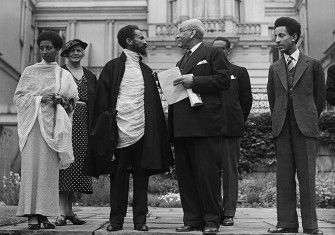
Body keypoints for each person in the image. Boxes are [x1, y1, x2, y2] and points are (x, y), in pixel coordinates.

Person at [89, 25, 173, 232]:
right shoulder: (112, 67)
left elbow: (153, 105)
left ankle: (140, 221)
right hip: (118, 132)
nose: (145, 41)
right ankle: (115, 221)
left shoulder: (146, 71)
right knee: (118, 177)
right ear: (128, 41)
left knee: (141, 176)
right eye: (140, 37)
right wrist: (106, 129)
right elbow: (101, 103)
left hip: (143, 130)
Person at [170, 19, 230, 235]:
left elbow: (224, 81)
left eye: (180, 32)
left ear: (192, 32)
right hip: (183, 125)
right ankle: (192, 219)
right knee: (186, 176)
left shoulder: (213, 53)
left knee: (207, 175)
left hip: (205, 125)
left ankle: (212, 221)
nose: (177, 36)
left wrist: (195, 80)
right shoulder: (181, 60)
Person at [14, 30, 78, 230]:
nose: (44, 51)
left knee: (48, 172)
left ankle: (45, 214)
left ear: (57, 50)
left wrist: (61, 101)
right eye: (41, 47)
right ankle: (31, 215)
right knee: (32, 169)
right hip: (32, 127)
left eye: (48, 47)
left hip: (52, 129)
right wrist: (40, 99)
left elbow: (72, 103)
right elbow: (19, 98)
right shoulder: (29, 72)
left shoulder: (63, 74)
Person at [267, 17, 325, 235]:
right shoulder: (274, 68)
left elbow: (318, 100)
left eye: (281, 35)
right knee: (283, 176)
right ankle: (286, 223)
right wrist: (281, 118)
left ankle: (311, 226)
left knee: (307, 177)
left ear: (294, 37)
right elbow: (273, 100)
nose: (277, 40)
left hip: (305, 128)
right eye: (275, 36)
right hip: (282, 128)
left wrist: (307, 117)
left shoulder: (314, 65)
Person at [55, 39, 97, 226]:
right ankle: (61, 212)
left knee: (78, 166)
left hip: (84, 122)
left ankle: (70, 212)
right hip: (65, 120)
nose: (76, 53)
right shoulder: (60, 72)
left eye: (79, 50)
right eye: (72, 51)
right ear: (65, 54)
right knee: (64, 164)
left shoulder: (89, 74)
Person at [212, 37, 252, 226]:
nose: (218, 52)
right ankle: (212, 211)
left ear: (228, 51)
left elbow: (246, 101)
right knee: (209, 173)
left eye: (221, 49)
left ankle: (228, 212)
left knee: (230, 172)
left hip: (231, 129)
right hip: (209, 130)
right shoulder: (206, 73)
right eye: (214, 50)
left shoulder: (239, 72)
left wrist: (237, 120)